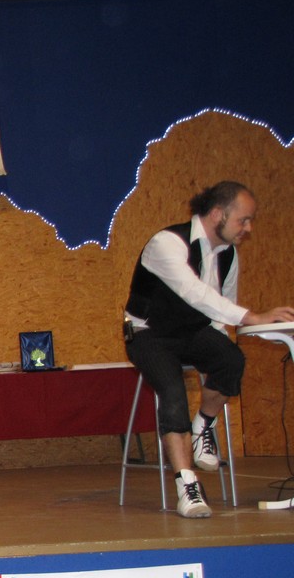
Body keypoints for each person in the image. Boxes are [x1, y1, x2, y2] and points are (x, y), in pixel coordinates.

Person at [124, 181, 294, 518]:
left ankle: (203, 425)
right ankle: (186, 485)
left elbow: (220, 310)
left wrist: (226, 344)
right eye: (243, 220)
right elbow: (195, 293)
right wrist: (253, 316)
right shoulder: (166, 243)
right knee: (173, 391)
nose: (248, 228)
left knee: (231, 359)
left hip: (192, 332)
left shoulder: (228, 255)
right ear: (217, 214)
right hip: (149, 334)